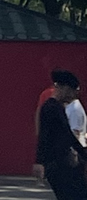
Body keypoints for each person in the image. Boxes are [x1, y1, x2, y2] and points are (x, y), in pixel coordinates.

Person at [36, 70, 87, 200]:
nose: (74, 95)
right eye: (72, 90)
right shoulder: (51, 108)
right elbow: (45, 135)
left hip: (62, 162)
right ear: (63, 88)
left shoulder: (57, 107)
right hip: (58, 163)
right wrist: (39, 161)